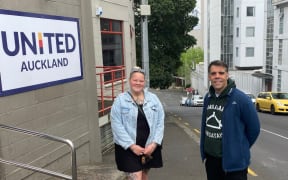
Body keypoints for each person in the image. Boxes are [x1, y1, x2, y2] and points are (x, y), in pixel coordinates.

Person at [200, 60, 260, 180]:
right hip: (212, 161)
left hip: (235, 165)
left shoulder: (241, 99)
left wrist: (238, 148)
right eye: (213, 73)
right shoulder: (208, 97)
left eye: (221, 73)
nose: (217, 76)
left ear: (227, 75)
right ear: (209, 76)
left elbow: (254, 129)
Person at [111, 66, 164, 180]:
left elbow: (160, 122)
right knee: (136, 176)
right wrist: (132, 146)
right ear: (130, 81)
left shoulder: (153, 99)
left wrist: (154, 144)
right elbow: (116, 125)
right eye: (135, 80)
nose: (138, 83)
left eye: (141, 81)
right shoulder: (120, 100)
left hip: (148, 148)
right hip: (128, 148)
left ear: (144, 82)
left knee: (144, 176)